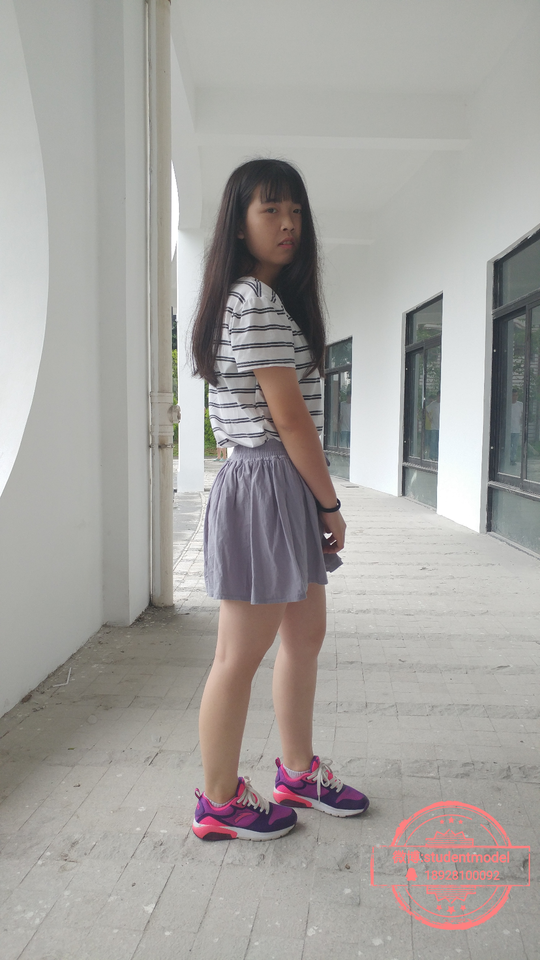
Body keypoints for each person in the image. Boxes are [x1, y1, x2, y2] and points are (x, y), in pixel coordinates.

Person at [190, 159, 369, 841]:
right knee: (238, 655)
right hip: (268, 480)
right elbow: (291, 421)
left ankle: (296, 772)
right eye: (270, 210)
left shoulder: (253, 300)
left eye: (295, 210)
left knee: (304, 636)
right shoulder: (255, 302)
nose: (288, 223)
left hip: (278, 482)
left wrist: (312, 499)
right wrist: (329, 504)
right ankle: (218, 801)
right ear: (239, 224)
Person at [510, 387, 523, 466]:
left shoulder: (520, 404)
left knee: (514, 446)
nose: (515, 397)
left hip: (516, 429)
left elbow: (523, 414)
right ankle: (506, 459)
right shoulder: (508, 405)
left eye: (516, 395)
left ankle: (512, 459)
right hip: (509, 429)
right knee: (508, 446)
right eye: (513, 395)